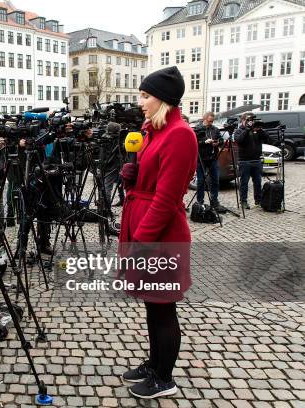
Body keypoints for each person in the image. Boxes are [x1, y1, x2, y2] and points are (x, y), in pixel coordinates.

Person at [118, 66, 198, 399]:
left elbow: (167, 199)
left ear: (163, 99)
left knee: (163, 306)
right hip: (144, 225)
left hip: (161, 236)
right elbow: (150, 180)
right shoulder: (154, 130)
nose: (140, 102)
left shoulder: (180, 134)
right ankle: (154, 364)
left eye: (145, 96)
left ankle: (164, 378)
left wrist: (142, 242)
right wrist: (131, 174)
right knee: (153, 303)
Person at [233, 112, 268, 209]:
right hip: (244, 161)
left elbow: (266, 138)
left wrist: (260, 130)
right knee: (244, 182)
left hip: (256, 160)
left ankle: (258, 200)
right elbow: (239, 140)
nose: (250, 122)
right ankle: (243, 201)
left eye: (251, 120)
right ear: (243, 121)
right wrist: (247, 130)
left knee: (257, 181)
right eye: (248, 120)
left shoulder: (256, 130)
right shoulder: (239, 130)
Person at [194, 112, 224, 210]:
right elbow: (194, 143)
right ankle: (200, 202)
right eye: (209, 121)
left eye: (212, 121)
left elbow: (221, 140)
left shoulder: (215, 129)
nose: (211, 122)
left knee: (215, 180)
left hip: (213, 158)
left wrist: (217, 143)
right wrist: (204, 142)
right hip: (201, 159)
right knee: (201, 181)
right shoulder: (198, 129)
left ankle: (214, 201)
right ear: (205, 119)